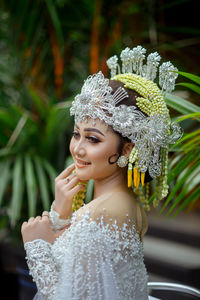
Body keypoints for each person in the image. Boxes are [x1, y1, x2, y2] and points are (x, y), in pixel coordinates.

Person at [21, 46, 182, 300]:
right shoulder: (127, 202)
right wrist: (60, 216)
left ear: (127, 149)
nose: (78, 149)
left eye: (93, 140)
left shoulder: (97, 216)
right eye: (76, 135)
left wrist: (37, 247)